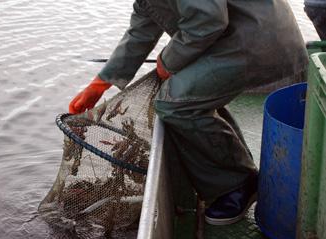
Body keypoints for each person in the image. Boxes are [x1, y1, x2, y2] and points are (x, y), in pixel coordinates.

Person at [69, 0, 308, 225]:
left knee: (176, 103)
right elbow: (142, 28)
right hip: (235, 37)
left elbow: (208, 19)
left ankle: (239, 184)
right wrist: (100, 83)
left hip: (258, 38)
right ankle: (241, 172)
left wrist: (168, 59)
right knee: (193, 97)